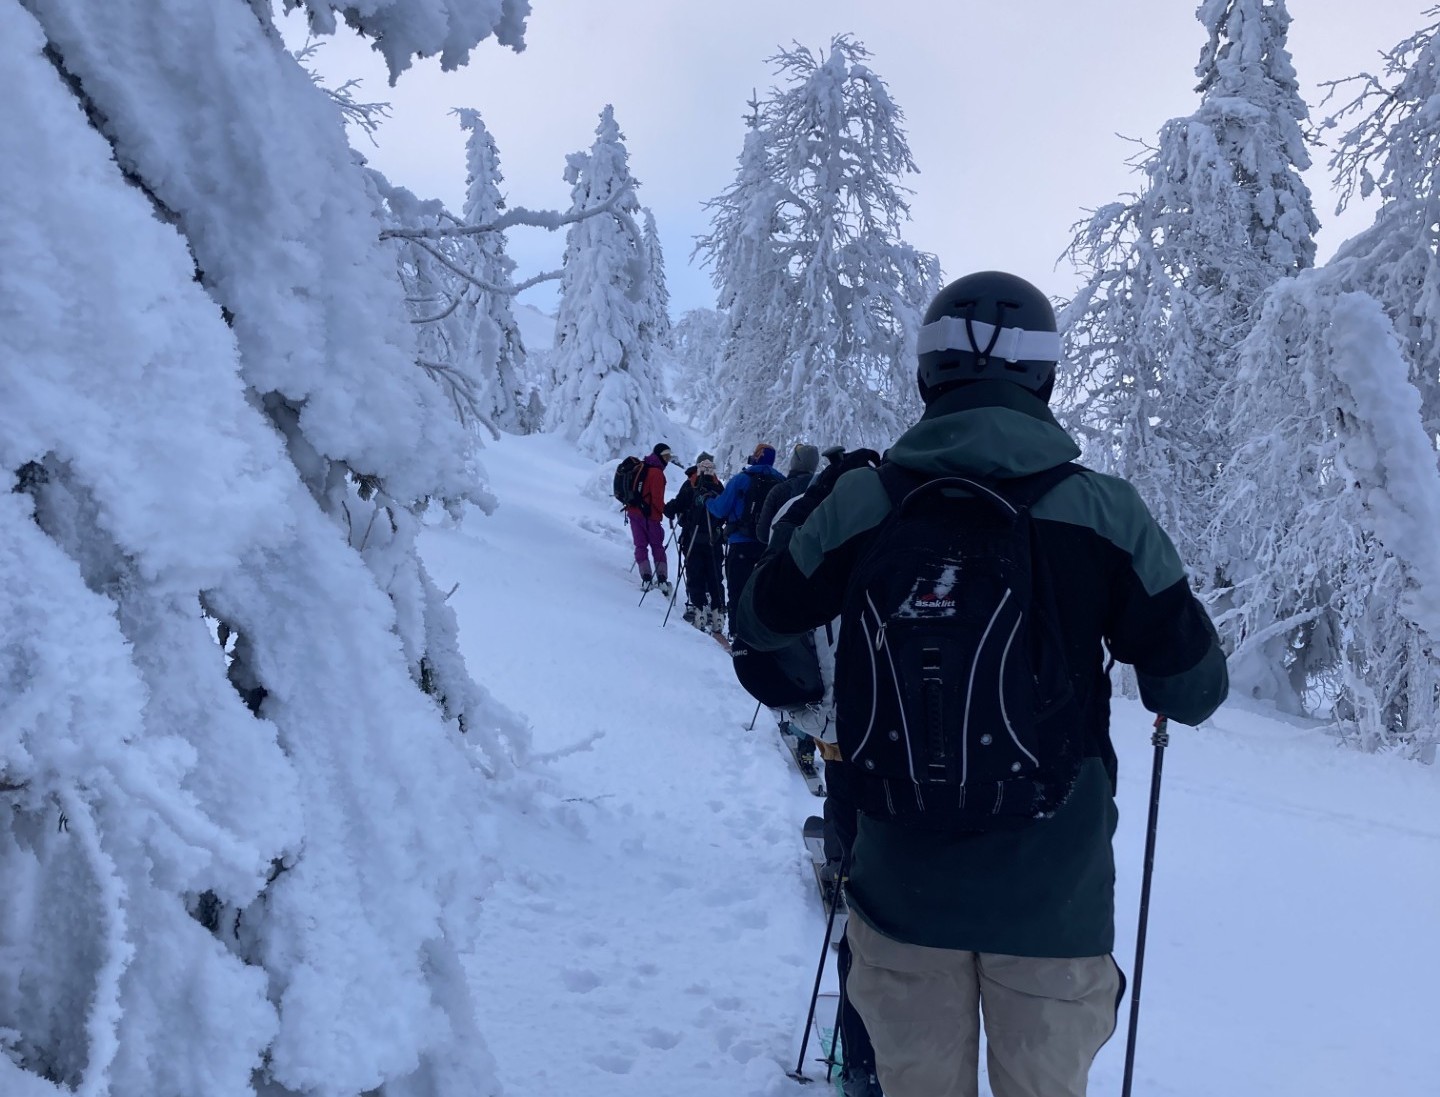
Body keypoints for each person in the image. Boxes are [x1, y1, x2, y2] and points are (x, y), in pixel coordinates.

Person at [736, 271, 1228, 1097]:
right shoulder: (1104, 511)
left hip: (900, 894)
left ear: (927, 374)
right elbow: (1193, 692)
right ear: (1045, 377)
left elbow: (760, 618)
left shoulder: (863, 501)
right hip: (1055, 904)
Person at [705, 442, 785, 636]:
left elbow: (720, 509)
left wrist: (707, 500)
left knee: (738, 590)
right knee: (762, 591)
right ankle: (761, 635)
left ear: (756, 457)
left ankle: (737, 634)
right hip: (767, 545)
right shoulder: (781, 482)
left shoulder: (741, 479)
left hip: (741, 543)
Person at [664, 452, 726, 631]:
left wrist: (670, 509)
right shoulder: (718, 486)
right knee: (714, 575)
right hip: (714, 539)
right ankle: (717, 613)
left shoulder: (690, 484)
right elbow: (724, 512)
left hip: (693, 538)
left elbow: (676, 506)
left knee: (695, 574)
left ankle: (698, 610)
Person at [627, 442, 675, 596]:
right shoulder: (657, 473)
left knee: (640, 545)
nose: (667, 460)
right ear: (659, 456)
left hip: (634, 512)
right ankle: (661, 579)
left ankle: (646, 578)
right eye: (666, 456)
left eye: (669, 457)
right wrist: (666, 511)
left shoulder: (642, 466)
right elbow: (657, 499)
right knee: (657, 546)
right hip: (650, 516)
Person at [756, 442, 820, 545]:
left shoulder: (779, 490)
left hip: (781, 551)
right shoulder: (822, 489)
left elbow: (763, 534)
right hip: (813, 551)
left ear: (795, 462)